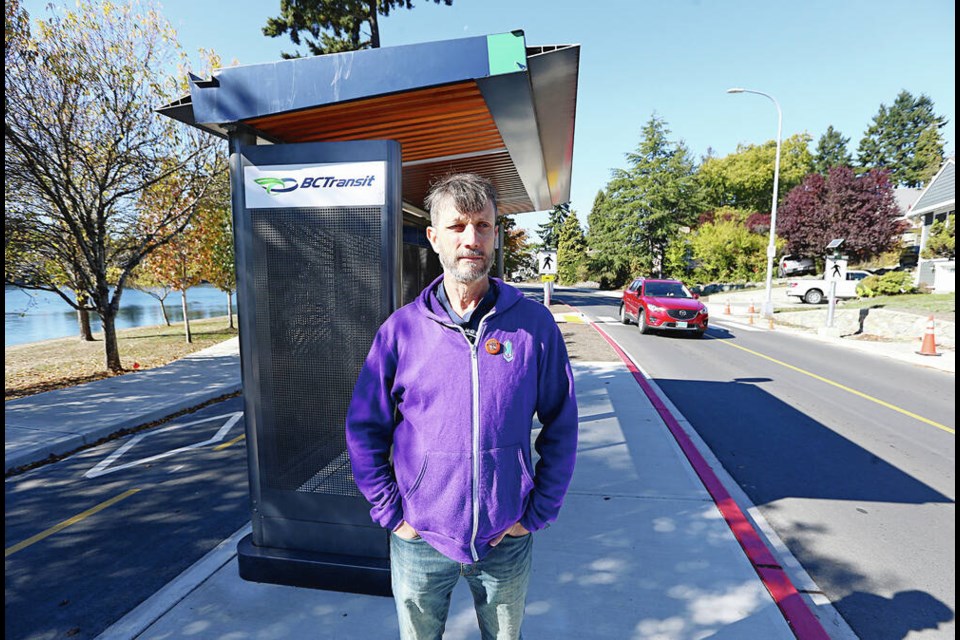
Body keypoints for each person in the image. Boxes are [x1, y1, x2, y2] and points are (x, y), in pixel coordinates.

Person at [345, 173, 578, 640]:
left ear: (495, 233)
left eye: (483, 226)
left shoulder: (534, 326)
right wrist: (393, 514)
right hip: (421, 538)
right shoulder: (401, 331)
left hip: (504, 536)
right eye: (457, 227)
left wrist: (534, 514)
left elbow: (563, 423)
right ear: (434, 238)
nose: (471, 239)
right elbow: (364, 430)